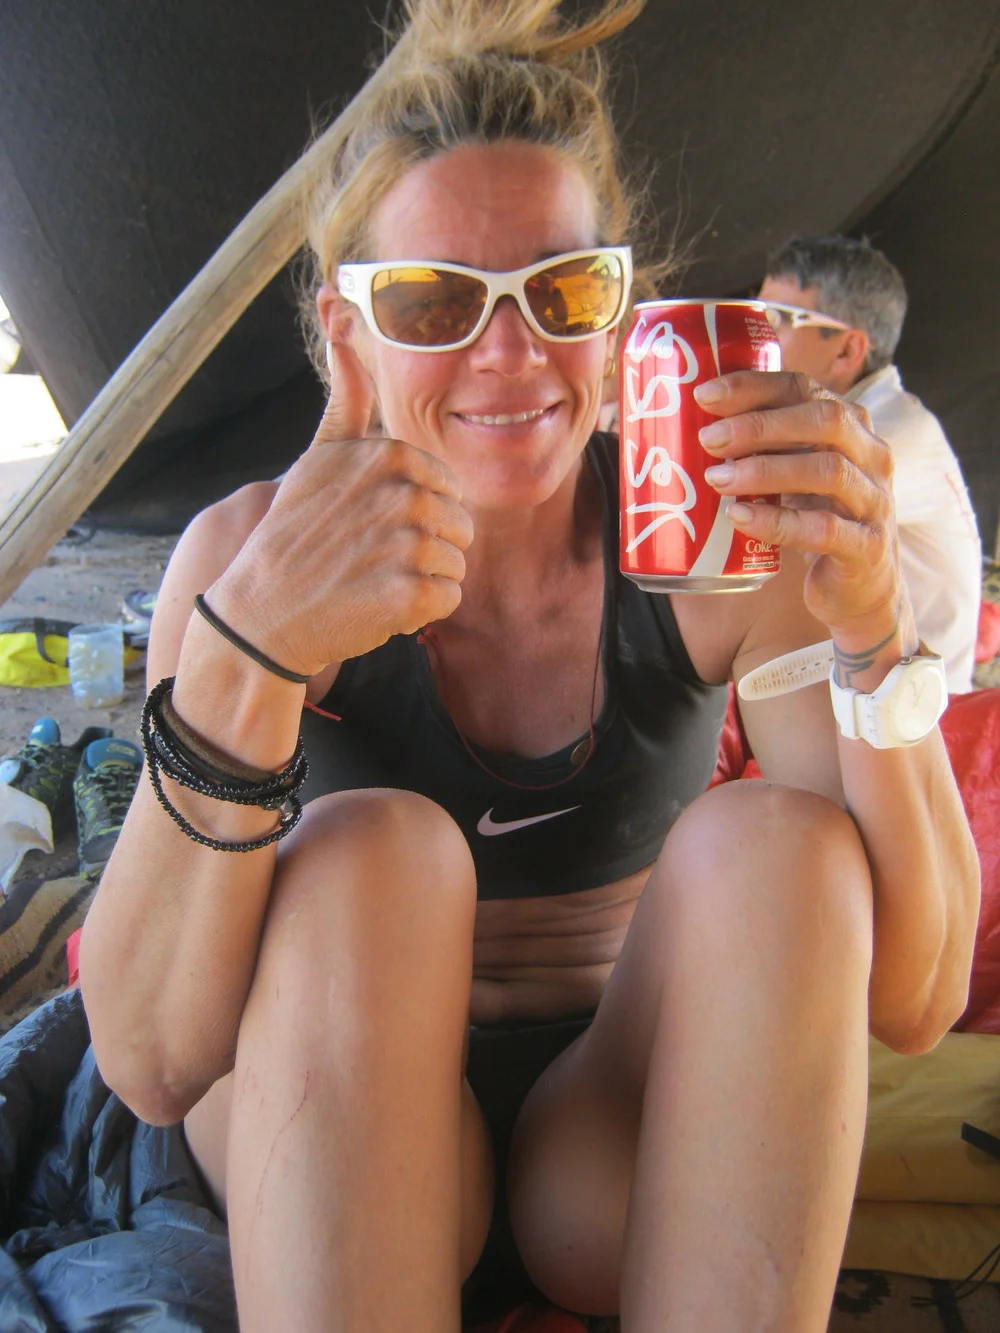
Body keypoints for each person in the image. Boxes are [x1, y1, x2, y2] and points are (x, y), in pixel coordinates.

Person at [77, 3, 980, 1330]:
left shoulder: (715, 549)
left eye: (563, 292)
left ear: (619, 312)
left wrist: (874, 630)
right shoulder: (242, 562)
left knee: (780, 845)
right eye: (435, 301)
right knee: (372, 855)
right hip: (314, 1126)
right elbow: (153, 1059)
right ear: (348, 335)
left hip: (606, 1143)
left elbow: (916, 999)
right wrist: (250, 643)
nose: (510, 354)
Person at [759, 234, 982, 693]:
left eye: (777, 318)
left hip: (922, 714)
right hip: (866, 688)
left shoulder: (892, 433)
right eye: (756, 313)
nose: (756, 333)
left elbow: (749, 505)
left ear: (847, 350)